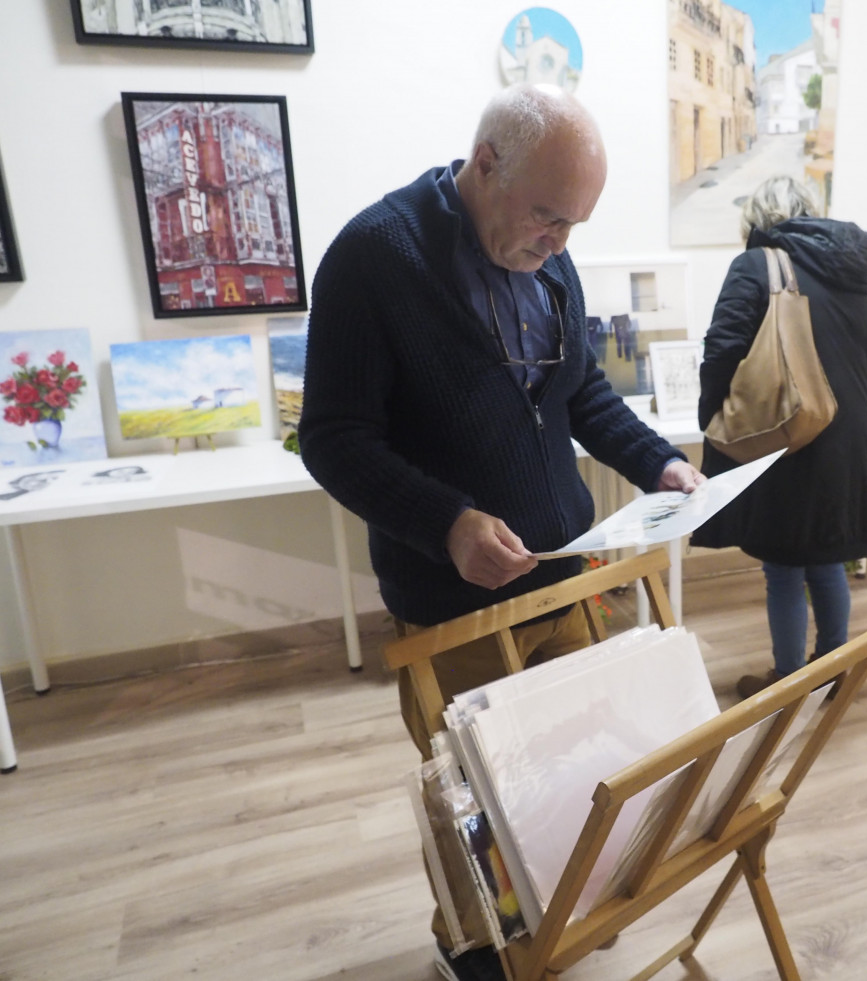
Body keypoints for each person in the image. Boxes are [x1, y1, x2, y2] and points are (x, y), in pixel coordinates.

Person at [298, 83, 703, 981]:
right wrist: (446, 522)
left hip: (566, 577)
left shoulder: (548, 260)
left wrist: (659, 464)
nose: (559, 243)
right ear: (486, 165)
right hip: (453, 600)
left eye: (574, 226)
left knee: (568, 777)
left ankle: (558, 915)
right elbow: (330, 439)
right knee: (473, 802)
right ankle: (473, 946)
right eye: (548, 217)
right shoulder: (374, 257)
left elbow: (582, 391)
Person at [690, 175, 867, 699]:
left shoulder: (757, 264)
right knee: (826, 558)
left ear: (756, 218)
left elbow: (722, 350)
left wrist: (718, 418)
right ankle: (833, 669)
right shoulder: (850, 268)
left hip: (787, 434)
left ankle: (789, 680)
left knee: (783, 567)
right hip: (844, 436)